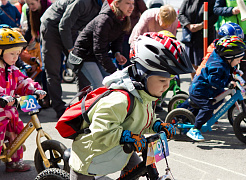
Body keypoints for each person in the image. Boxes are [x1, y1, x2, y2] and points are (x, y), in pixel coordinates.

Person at [68, 32, 194, 179]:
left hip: (118, 149)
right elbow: (100, 130)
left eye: (170, 80)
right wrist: (126, 136)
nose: (167, 86)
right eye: (161, 80)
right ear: (143, 74)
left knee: (138, 168)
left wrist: (158, 125)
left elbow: (141, 118)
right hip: (91, 156)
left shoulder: (144, 94)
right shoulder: (119, 100)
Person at [40, 0, 105, 118]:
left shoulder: (105, 6)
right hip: (52, 26)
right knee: (53, 70)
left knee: (82, 67)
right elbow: (64, 25)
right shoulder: (83, 2)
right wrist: (71, 49)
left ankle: (83, 106)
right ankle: (59, 108)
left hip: (71, 30)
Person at [0, 28, 46, 172]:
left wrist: (34, 89)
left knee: (17, 134)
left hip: (11, 111)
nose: (15, 57)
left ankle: (14, 162)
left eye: (18, 54)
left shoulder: (12, 70)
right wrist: (2, 97)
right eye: (12, 54)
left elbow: (22, 81)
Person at [186, 36, 246, 141]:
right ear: (229, 57)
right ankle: (195, 129)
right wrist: (227, 83)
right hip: (200, 91)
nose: (239, 62)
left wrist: (235, 73)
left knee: (219, 100)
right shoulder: (217, 66)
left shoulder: (224, 60)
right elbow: (213, 79)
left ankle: (199, 115)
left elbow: (229, 69)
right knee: (208, 108)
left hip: (209, 90)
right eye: (237, 60)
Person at [70, 0, 133, 90]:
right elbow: (99, 50)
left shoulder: (123, 19)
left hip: (97, 56)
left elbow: (117, 40)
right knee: (100, 86)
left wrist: (117, 53)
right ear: (116, 4)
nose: (131, 7)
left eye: (133, 4)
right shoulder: (104, 19)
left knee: (113, 83)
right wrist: (115, 72)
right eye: (127, 3)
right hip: (84, 55)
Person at [214, 0, 246, 97]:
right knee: (230, 64)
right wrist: (231, 10)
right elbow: (216, 9)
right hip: (229, 35)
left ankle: (244, 89)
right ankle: (231, 89)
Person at [179, 0, 219, 81]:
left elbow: (215, 16)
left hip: (204, 37)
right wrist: (189, 25)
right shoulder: (188, 1)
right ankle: (194, 82)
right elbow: (181, 14)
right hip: (190, 37)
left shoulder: (212, 1)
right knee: (191, 63)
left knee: (203, 63)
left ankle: (202, 83)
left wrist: (201, 25)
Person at [119, 0, 147, 69]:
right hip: (121, 32)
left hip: (132, 32)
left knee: (132, 59)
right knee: (123, 60)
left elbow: (145, 12)